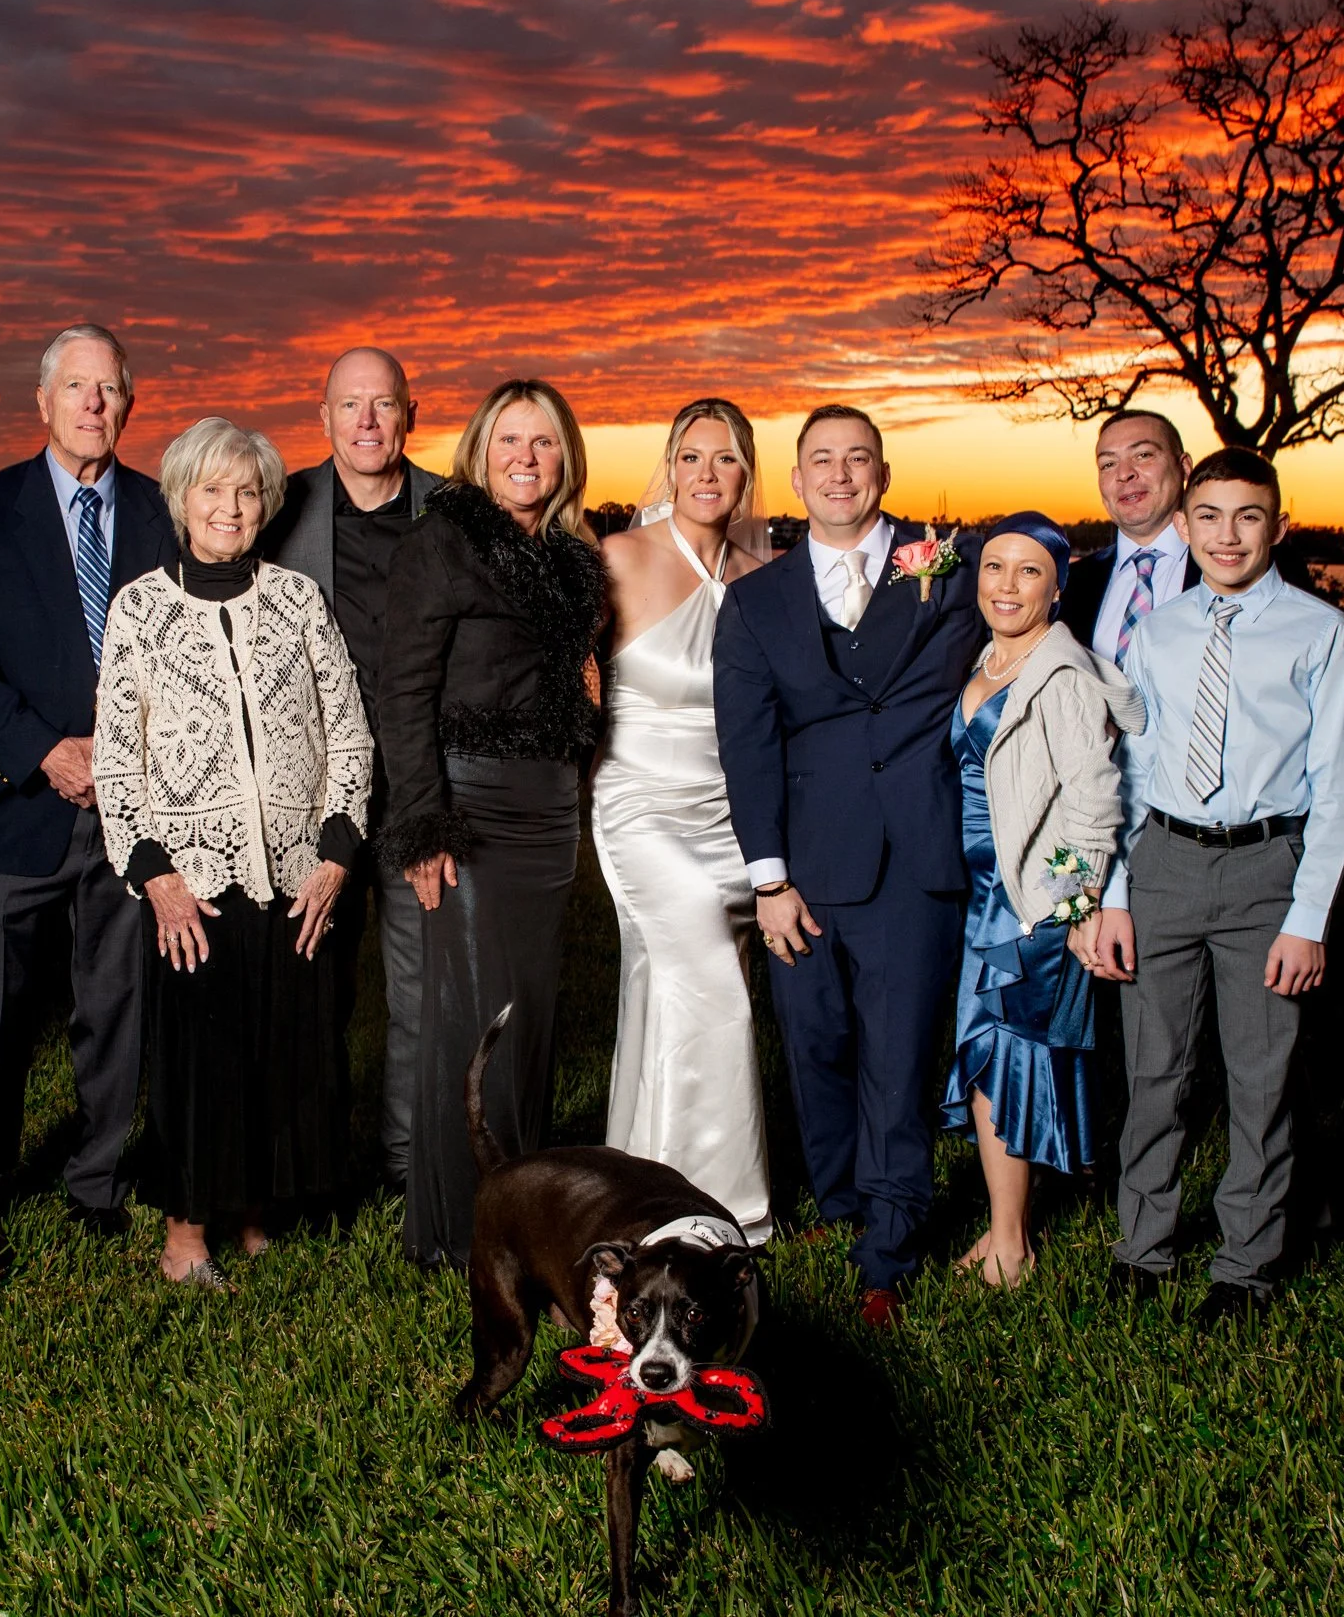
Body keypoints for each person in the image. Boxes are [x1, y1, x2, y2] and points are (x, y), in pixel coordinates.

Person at [711, 404, 982, 1327]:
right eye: (820, 460)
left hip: (916, 854)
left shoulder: (950, 563)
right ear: (796, 481)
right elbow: (745, 742)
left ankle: (889, 1249)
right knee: (817, 1043)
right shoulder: (758, 598)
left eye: (856, 458)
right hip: (809, 864)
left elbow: (1044, 592)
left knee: (898, 1055)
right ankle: (839, 1202)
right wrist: (770, 878)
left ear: (883, 471)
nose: (839, 474)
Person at [96, 417, 373, 1286]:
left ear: (267, 505)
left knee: (283, 1049)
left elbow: (350, 733)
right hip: (194, 881)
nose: (230, 506)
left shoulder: (296, 600)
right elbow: (116, 757)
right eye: (212, 490)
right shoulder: (140, 607)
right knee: (200, 1062)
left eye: (247, 491)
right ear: (181, 500)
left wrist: (335, 853)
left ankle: (256, 1209)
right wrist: (157, 877)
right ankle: (185, 1236)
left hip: (296, 872)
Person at [0, 324, 177, 1278]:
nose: (93, 404)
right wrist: (42, 750)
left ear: (127, 403)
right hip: (9, 808)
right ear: (43, 401)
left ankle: (97, 1185)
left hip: (129, 814)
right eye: (76, 387)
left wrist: (119, 759)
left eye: (109, 389)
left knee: (115, 1005)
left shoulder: (162, 513)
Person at [1093, 447, 1344, 1327]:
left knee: (1260, 1075)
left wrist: (1307, 917)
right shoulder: (1159, 631)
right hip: (1165, 858)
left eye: (1248, 516)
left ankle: (1245, 1260)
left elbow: (1336, 783)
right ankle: (1144, 1245)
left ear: (1279, 524)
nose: (1227, 534)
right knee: (1155, 1069)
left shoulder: (1320, 631)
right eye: (1208, 516)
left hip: (1264, 870)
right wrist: (1118, 892)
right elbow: (1134, 765)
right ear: (1183, 525)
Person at [377, 378, 605, 1269]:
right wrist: (424, 824)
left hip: (549, 811)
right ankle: (452, 1228)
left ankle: (526, 1208)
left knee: (533, 1015)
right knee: (473, 1019)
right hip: (467, 810)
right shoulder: (440, 540)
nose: (526, 457)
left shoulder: (571, 555)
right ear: (479, 448)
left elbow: (579, 678)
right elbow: (403, 694)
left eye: (544, 443)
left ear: (565, 458)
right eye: (510, 439)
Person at [938, 512, 1145, 1287]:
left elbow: (1095, 805)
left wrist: (1064, 905)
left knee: (1005, 1063)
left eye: (1029, 572)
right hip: (979, 892)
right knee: (995, 1059)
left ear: (1058, 586)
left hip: (1024, 902)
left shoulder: (1059, 675)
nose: (1008, 585)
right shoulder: (983, 658)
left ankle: (1010, 1241)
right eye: (995, 568)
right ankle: (1006, 1230)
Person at [254, 347, 442, 1193]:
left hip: (413, 788)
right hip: (309, 796)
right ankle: (312, 1165)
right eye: (350, 405)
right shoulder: (277, 507)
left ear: (411, 414)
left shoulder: (453, 510)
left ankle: (408, 1164)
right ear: (321, 416)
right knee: (310, 987)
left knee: (418, 991)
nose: (367, 422)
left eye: (384, 405)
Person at [592, 397, 774, 1242]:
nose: (708, 474)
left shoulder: (757, 575)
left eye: (726, 458)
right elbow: (564, 674)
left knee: (672, 983)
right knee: (708, 966)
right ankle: (723, 1205)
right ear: (669, 466)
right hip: (636, 799)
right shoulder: (620, 558)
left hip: (725, 806)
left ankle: (636, 1177)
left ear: (746, 475)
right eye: (693, 457)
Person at [1062, 409, 1198, 663]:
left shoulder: (1235, 571)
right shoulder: (1071, 585)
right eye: (1108, 464)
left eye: (1143, 455)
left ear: (1184, 467)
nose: (1124, 474)